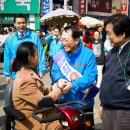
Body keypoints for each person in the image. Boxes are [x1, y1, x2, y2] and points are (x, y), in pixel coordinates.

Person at [12, 41, 72, 130]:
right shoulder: (24, 80)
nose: (39, 56)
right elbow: (43, 101)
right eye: (36, 53)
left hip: (39, 112)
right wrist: (59, 89)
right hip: (32, 119)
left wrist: (52, 88)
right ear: (29, 57)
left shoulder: (28, 71)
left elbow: (39, 92)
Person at [51, 25, 97, 129]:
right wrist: (59, 79)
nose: (63, 43)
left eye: (66, 40)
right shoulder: (59, 54)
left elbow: (90, 77)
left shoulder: (88, 54)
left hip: (83, 103)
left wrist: (73, 84)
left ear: (76, 40)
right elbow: (54, 72)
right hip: (64, 102)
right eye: (62, 39)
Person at [99, 14, 130, 130]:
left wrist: (125, 91)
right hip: (108, 107)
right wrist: (103, 103)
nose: (108, 37)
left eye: (110, 33)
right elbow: (106, 77)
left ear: (123, 33)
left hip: (124, 111)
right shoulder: (112, 52)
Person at [3, 13, 46, 83]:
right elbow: (7, 56)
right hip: (17, 74)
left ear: (26, 23)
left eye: (23, 23)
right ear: (14, 24)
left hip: (33, 73)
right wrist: (7, 74)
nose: (21, 25)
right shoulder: (10, 39)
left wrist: (41, 70)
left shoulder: (34, 36)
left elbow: (40, 53)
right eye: (19, 23)